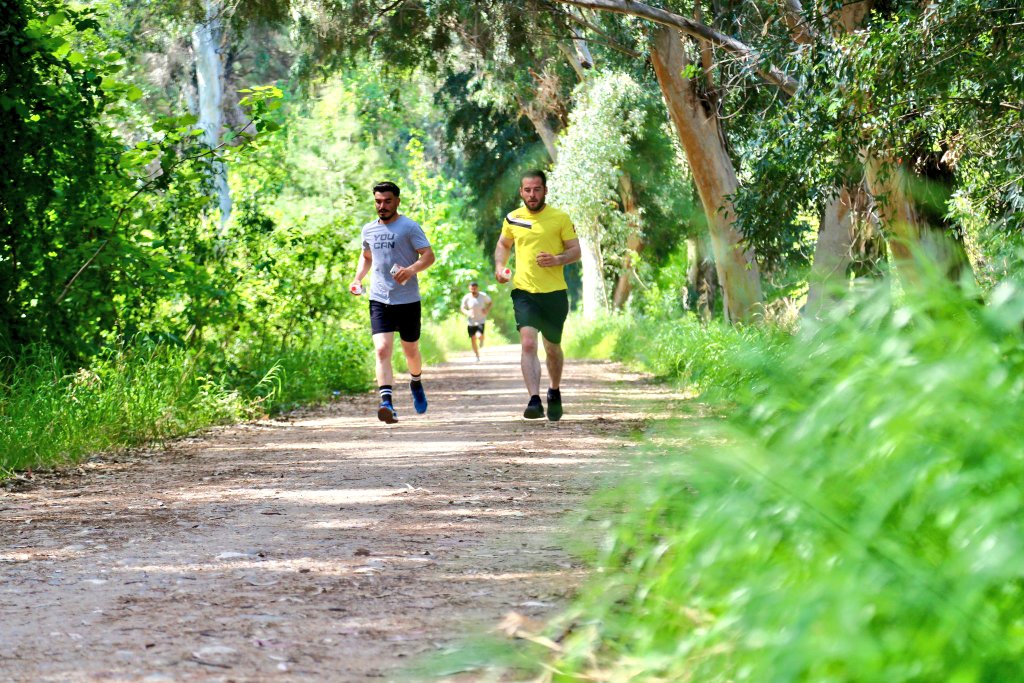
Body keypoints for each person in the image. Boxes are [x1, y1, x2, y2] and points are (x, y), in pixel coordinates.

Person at [494, 170, 581, 421]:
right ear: (521, 192)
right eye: (527, 190)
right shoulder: (512, 218)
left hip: (554, 293)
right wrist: (500, 268)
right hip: (524, 291)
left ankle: (553, 390)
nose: (532, 195)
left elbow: (575, 250)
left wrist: (558, 259)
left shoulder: (560, 218)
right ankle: (534, 400)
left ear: (545, 190)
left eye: (537, 189)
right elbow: (503, 245)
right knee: (529, 343)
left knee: (552, 348)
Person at [350, 181, 436, 424]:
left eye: (387, 201)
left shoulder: (408, 227)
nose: (382, 206)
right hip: (379, 299)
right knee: (381, 349)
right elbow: (366, 257)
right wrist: (357, 278)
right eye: (378, 201)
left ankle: (416, 381)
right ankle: (386, 403)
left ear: (397, 201)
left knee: (411, 351)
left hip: (407, 300)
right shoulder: (368, 230)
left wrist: (410, 271)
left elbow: (429, 256)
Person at [459, 281, 493, 361]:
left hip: (481, 320)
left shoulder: (483, 296)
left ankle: (481, 339)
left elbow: (490, 303)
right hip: (471, 322)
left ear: (477, 288)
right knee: (473, 339)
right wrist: (467, 312)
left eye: (475, 288)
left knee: (479, 335)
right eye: (472, 288)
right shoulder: (467, 297)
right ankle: (477, 356)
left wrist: (487, 309)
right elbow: (462, 308)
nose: (473, 290)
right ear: (469, 288)